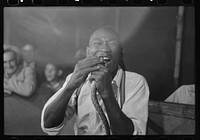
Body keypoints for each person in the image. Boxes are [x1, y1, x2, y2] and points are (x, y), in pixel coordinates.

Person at [41, 26, 150, 135]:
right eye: (97, 43)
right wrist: (70, 86)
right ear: (88, 52)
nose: (104, 49)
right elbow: (49, 126)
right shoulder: (77, 78)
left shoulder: (136, 82)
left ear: (121, 52)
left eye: (112, 44)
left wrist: (107, 93)